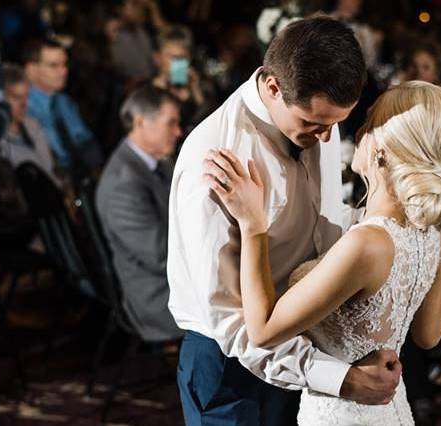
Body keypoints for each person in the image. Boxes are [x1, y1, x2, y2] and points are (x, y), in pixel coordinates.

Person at [168, 17, 398, 426]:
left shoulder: (320, 117)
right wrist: (337, 379)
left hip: (306, 344)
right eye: (314, 124)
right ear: (274, 87)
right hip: (229, 366)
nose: (327, 139)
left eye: (334, 124)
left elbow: (323, 223)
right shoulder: (217, 159)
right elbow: (232, 322)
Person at [203, 80, 441, 425]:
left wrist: (252, 225)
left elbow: (264, 329)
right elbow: (429, 335)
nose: (358, 131)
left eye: (370, 122)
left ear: (382, 150)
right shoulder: (433, 228)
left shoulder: (367, 245)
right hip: (391, 410)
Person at [95, 86, 184, 342]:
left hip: (176, 275)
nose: (178, 132)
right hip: (157, 295)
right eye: (171, 124)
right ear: (140, 122)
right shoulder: (122, 183)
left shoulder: (159, 162)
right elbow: (159, 256)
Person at [24, 37, 103, 178]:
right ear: (31, 70)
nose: (63, 71)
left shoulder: (64, 102)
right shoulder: (23, 109)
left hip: (82, 177)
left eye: (64, 64)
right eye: (53, 66)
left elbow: (84, 139)